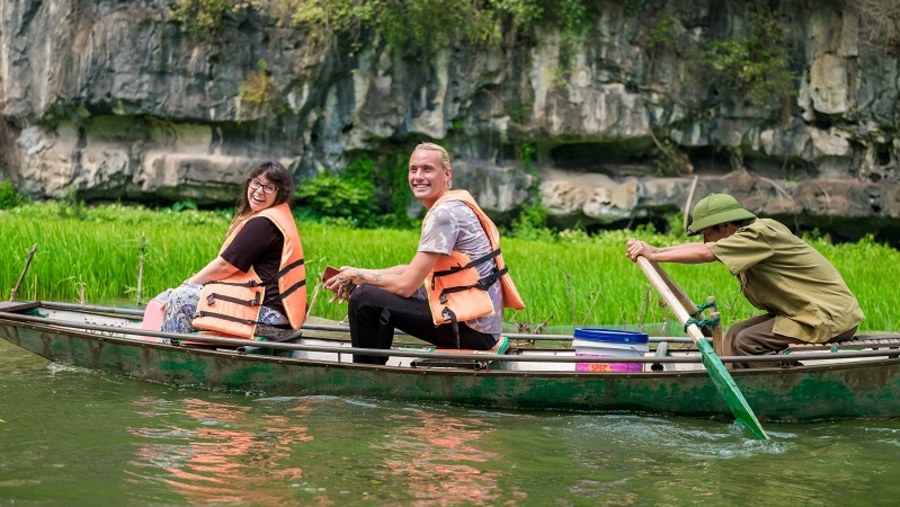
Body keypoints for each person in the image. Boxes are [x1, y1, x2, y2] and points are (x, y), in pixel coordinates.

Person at [324, 142, 525, 364]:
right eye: (413, 169)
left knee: (364, 297)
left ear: (447, 174)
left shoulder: (443, 215)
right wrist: (358, 273)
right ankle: (375, 368)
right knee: (370, 290)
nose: (418, 176)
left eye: (427, 169)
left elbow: (406, 285)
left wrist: (359, 278)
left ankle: (366, 377)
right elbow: (411, 271)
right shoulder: (452, 206)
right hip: (475, 322)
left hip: (472, 331)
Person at [625, 193, 864, 368]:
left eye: (708, 233)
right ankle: (738, 380)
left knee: (746, 341)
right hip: (804, 312)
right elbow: (704, 247)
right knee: (734, 335)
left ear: (727, 226)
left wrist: (655, 254)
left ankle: (782, 387)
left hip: (828, 316)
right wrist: (654, 250)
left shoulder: (759, 233)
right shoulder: (745, 240)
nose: (706, 240)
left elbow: (707, 253)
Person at [160, 160, 307, 340]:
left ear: (280, 194)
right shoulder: (277, 217)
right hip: (279, 315)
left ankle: (168, 360)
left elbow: (225, 266)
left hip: (268, 315)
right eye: (256, 183)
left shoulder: (264, 223)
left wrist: (187, 284)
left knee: (180, 298)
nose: (259, 191)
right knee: (193, 295)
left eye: (269, 188)